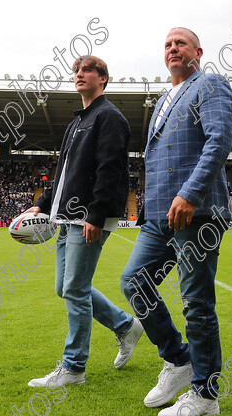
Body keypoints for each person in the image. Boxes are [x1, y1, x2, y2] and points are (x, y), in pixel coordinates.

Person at [119, 27, 232, 416]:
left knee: (196, 303)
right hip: (157, 215)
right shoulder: (161, 101)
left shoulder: (211, 85)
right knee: (134, 282)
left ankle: (205, 394)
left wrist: (190, 193)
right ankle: (178, 359)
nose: (172, 48)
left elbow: (218, 141)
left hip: (196, 211)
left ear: (197, 52)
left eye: (180, 43)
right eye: (167, 44)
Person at [26, 55, 144, 388]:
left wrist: (95, 212)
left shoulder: (108, 117)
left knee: (74, 290)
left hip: (88, 217)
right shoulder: (78, 120)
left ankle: (74, 368)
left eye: (87, 70)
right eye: (76, 71)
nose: (79, 74)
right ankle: (125, 326)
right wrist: (42, 205)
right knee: (65, 288)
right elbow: (64, 174)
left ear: (103, 78)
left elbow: (111, 169)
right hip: (67, 217)